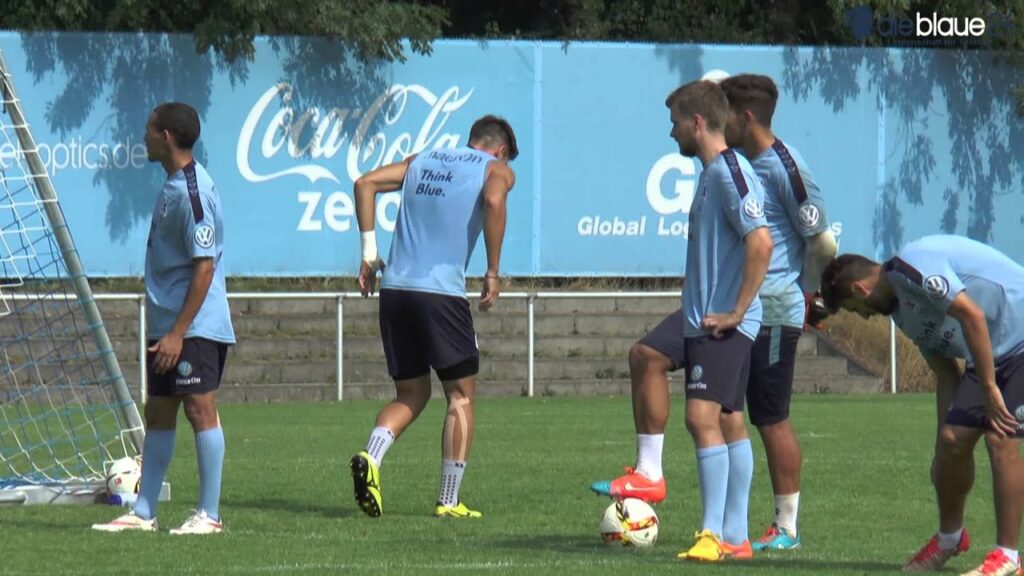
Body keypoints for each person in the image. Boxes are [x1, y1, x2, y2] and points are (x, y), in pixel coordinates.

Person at [820, 235, 1024, 576]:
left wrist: (989, 387)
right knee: (953, 441)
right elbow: (945, 374)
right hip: (986, 352)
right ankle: (950, 538)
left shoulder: (912, 268)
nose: (867, 318)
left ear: (860, 290)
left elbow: (972, 316)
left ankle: (1008, 557)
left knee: (1000, 438)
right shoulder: (903, 314)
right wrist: (939, 452)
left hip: (1019, 333)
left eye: (859, 311)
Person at [349, 115, 517, 519]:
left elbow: (364, 184)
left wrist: (370, 254)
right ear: (502, 151)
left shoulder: (422, 159)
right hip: (439, 294)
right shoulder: (496, 169)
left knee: (411, 393)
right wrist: (493, 271)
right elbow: (494, 200)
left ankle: (371, 456)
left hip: (394, 291)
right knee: (460, 396)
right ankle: (448, 499)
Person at [93, 102, 235, 535]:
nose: (144, 137)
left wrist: (178, 332)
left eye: (150, 130)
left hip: (191, 326)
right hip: (168, 325)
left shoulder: (193, 192)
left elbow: (205, 266)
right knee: (158, 413)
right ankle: (143, 512)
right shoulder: (174, 184)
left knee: (199, 408)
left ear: (167, 136)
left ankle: (209, 515)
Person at [720, 73, 837, 551]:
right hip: (742, 308)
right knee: (724, 410)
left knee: (770, 417)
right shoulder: (743, 163)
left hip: (773, 309)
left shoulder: (785, 167)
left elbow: (823, 242)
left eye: (724, 112)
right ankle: (726, 522)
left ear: (745, 117)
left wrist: (809, 297)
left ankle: (786, 527)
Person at [658, 80, 774, 562]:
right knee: (729, 420)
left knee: (699, 416)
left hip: (721, 324)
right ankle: (736, 537)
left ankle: (712, 534)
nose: (672, 133)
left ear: (698, 123)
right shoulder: (712, 174)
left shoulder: (731, 171)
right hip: (706, 323)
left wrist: (737, 311)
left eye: (675, 123)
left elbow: (761, 242)